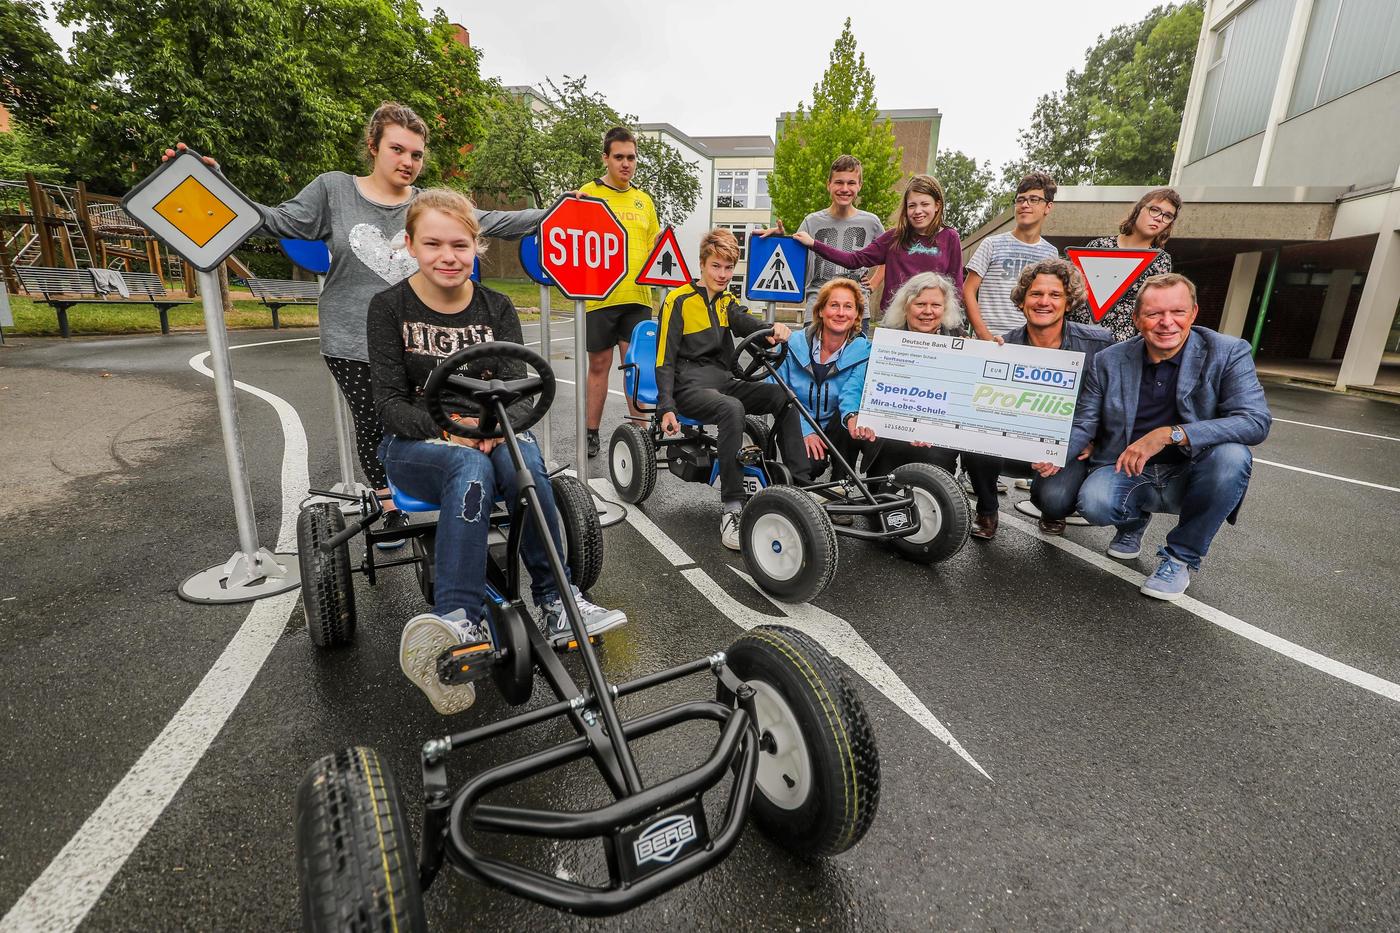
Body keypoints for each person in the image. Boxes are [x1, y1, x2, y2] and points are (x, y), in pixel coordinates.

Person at [165, 103, 543, 549]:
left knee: (435, 416)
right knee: (375, 422)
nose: (407, 162)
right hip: (350, 337)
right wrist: (219, 185)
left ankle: (459, 490)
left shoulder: (426, 207)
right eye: (397, 149)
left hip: (415, 337)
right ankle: (388, 507)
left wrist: (560, 209)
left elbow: (495, 222)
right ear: (373, 147)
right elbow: (275, 220)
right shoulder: (333, 191)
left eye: (417, 155)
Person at [367, 188, 626, 715]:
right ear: (411, 246)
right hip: (418, 444)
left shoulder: (497, 307)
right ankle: (458, 621)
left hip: (495, 429)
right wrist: (453, 430)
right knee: (469, 463)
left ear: (477, 247)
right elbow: (390, 404)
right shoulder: (388, 307)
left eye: (460, 244)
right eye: (433, 243)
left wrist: (486, 427)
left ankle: (557, 601)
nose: (448, 256)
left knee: (526, 462)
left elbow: (513, 380)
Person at [1040, 272, 1271, 601]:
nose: (1167, 323)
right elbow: (1086, 421)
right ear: (1136, 319)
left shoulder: (1228, 352)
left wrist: (1172, 434)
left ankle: (1180, 557)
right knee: (1093, 502)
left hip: (1194, 471)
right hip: (1129, 468)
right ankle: (1133, 522)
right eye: (1153, 314)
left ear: (1193, 313)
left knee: (1233, 457)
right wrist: (1056, 451)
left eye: (1177, 312)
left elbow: (1255, 421)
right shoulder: (1109, 361)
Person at [656, 229, 814, 550]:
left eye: (728, 268)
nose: (723, 275)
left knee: (781, 396)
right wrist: (666, 406)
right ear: (702, 264)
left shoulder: (728, 301)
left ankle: (801, 486)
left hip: (723, 380)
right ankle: (732, 507)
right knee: (731, 407)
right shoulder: (679, 300)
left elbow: (746, 323)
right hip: (690, 385)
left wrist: (771, 330)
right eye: (716, 266)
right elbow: (664, 359)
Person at [964, 258, 1113, 538]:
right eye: (1036, 294)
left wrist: (1096, 443)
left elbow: (1114, 404)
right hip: (1013, 445)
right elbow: (977, 405)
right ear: (1022, 301)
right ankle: (986, 509)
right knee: (976, 440)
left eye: (1055, 295)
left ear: (1069, 303)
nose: (1044, 301)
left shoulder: (1099, 345)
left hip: (1069, 446)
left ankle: (1051, 506)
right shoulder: (1003, 346)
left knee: (1054, 500)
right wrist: (979, 359)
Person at [845, 272, 1001, 533]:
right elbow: (855, 384)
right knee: (883, 513)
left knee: (935, 499)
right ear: (906, 305)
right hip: (889, 439)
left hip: (936, 441)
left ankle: (986, 509)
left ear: (945, 308)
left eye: (935, 305)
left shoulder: (961, 340)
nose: (928, 311)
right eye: (920, 304)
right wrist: (852, 414)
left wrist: (991, 354)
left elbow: (975, 397)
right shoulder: (887, 340)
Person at [579, 127, 661, 459]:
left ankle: (641, 439)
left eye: (631, 157)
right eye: (619, 157)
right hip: (600, 297)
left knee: (636, 366)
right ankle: (591, 432)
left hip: (638, 298)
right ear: (606, 158)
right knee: (599, 364)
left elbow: (656, 249)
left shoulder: (644, 201)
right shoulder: (587, 193)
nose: (626, 164)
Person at [792, 174, 962, 321]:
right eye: (912, 205)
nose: (918, 211)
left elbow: (956, 286)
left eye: (925, 204)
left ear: (937, 205)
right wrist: (814, 244)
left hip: (932, 321)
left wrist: (955, 324)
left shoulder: (950, 237)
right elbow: (854, 260)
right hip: (896, 322)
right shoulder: (894, 238)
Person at [771, 277, 872, 497]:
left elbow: (852, 391)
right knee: (808, 468)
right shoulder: (791, 344)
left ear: (856, 315)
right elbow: (775, 390)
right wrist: (805, 430)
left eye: (848, 307)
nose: (840, 313)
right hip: (797, 422)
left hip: (836, 428)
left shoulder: (863, 350)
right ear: (820, 311)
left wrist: (851, 416)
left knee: (851, 417)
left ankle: (841, 484)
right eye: (834, 305)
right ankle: (798, 498)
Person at [1068, 187, 1181, 342]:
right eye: (1154, 210)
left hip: (1120, 340)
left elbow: (1153, 306)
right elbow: (1074, 290)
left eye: (1168, 216)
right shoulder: (1099, 245)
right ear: (1139, 209)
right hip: (1079, 331)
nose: (1159, 218)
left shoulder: (1160, 260)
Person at [963, 171, 1060, 341]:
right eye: (1020, 199)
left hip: (1030, 342)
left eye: (1034, 199)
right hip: (992, 338)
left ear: (1048, 207)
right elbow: (968, 290)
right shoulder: (991, 244)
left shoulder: (1051, 254)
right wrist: (984, 336)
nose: (1025, 204)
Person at [794, 155, 886, 330]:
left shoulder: (871, 222)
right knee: (812, 357)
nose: (845, 188)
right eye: (839, 182)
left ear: (860, 185)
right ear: (828, 184)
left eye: (851, 183)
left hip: (857, 310)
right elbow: (791, 253)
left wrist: (873, 284)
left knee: (855, 357)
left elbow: (889, 256)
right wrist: (777, 236)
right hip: (818, 307)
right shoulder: (811, 221)